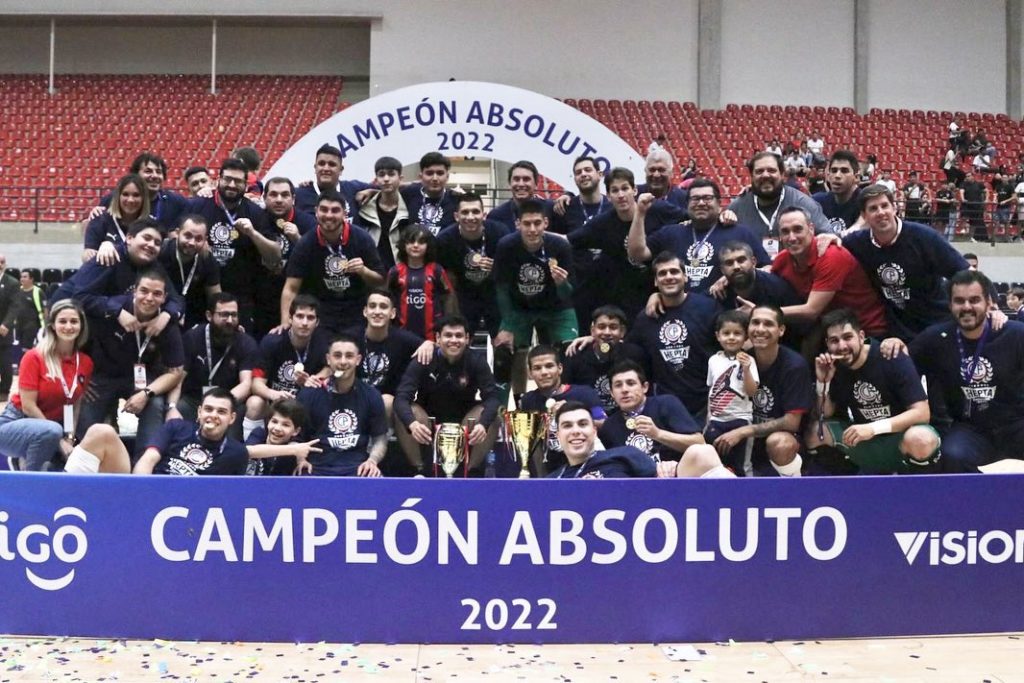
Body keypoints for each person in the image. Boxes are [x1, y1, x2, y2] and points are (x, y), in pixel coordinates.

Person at [909, 270, 1024, 469]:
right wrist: (891, 343)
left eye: (974, 300)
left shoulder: (1016, 335)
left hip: (1017, 425)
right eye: (959, 301)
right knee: (953, 455)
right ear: (950, 305)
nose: (967, 307)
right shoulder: (935, 339)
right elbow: (900, 369)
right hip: (971, 430)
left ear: (989, 302)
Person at [806, 308, 939, 474]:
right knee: (814, 433)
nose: (842, 346)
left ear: (861, 337)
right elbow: (823, 414)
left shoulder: (890, 355)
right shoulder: (832, 366)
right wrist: (822, 382)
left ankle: (919, 491)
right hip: (864, 440)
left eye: (848, 337)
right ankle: (845, 486)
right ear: (827, 343)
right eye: (834, 340)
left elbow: (922, 413)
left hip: (900, 438)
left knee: (921, 438)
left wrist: (873, 428)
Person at [76, 269, 185, 461]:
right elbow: (75, 345)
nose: (149, 298)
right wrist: (79, 379)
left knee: (155, 403)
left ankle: (144, 465)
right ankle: (88, 461)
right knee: (85, 402)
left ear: (164, 298)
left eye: (157, 294)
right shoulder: (111, 309)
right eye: (144, 291)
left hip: (141, 381)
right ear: (134, 291)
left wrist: (146, 393)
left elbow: (175, 371)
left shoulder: (166, 322)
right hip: (102, 376)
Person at [842, 184, 969, 341]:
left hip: (938, 325)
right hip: (898, 333)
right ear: (864, 215)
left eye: (884, 206)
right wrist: (829, 237)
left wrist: (991, 305)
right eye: (873, 208)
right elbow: (836, 244)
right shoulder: (858, 243)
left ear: (894, 208)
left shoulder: (924, 236)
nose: (881, 213)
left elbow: (966, 272)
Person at [567, 167, 683, 321]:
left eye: (625, 188)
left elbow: (691, 219)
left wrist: (725, 216)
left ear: (634, 190)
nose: (621, 195)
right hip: (621, 301)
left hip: (656, 294)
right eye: (615, 191)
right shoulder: (602, 223)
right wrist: (534, 234)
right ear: (608, 196)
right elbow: (568, 240)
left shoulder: (657, 209)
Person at [710, 304, 813, 477]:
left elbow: (791, 422)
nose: (760, 329)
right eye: (755, 323)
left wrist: (744, 431)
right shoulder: (738, 359)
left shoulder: (794, 366)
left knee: (780, 443)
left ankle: (794, 486)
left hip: (782, 438)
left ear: (781, 330)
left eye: (768, 324)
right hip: (744, 435)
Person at [394, 314, 500, 475]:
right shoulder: (424, 358)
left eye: (458, 336)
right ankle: (419, 470)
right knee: (405, 411)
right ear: (438, 338)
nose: (453, 340)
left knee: (492, 417)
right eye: (448, 335)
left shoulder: (476, 361)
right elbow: (401, 397)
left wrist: (482, 424)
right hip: (428, 424)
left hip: (464, 423)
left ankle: (469, 472)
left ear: (467, 339)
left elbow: (492, 398)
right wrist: (412, 424)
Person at [185, 158, 281, 334]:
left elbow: (275, 256)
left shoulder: (255, 212)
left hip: (241, 300)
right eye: (227, 179)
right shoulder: (197, 205)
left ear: (246, 185)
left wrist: (253, 234)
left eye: (237, 181)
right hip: (198, 296)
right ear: (218, 180)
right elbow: (176, 236)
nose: (231, 184)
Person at [627, 179, 769, 295]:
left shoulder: (740, 233)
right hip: (680, 315)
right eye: (695, 199)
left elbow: (768, 267)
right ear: (687, 204)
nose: (701, 203)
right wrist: (640, 212)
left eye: (707, 198)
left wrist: (735, 276)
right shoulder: (670, 233)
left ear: (719, 204)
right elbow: (637, 253)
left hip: (726, 319)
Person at [768, 207, 888, 341]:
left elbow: (811, 311)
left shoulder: (830, 255)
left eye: (798, 229)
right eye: (785, 232)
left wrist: (764, 313)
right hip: (828, 332)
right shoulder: (782, 260)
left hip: (866, 332)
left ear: (811, 229)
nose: (791, 237)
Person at [623, 252, 719, 417]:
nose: (668, 277)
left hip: (708, 403)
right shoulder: (645, 318)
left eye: (674, 272)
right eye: (662, 273)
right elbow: (630, 355)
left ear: (686, 277)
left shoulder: (708, 308)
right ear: (655, 281)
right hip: (667, 407)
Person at [0, 300, 92, 471]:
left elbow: (74, 404)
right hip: (14, 422)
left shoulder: (85, 362)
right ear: (52, 326)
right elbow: (28, 406)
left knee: (56, 460)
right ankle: (25, 472)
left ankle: (29, 467)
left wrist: (69, 437)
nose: (68, 326)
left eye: (74, 321)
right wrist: (59, 440)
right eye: (62, 321)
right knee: (52, 431)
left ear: (81, 325)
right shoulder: (34, 357)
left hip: (50, 429)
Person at [281, 189, 385, 334]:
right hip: (320, 316)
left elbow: (380, 281)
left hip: (357, 313)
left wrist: (364, 271)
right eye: (324, 210)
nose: (329, 215)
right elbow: (291, 288)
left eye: (335, 210)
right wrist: (286, 322)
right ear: (316, 212)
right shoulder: (305, 243)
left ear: (345, 213)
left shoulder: (362, 238)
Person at [54, 218, 186, 327]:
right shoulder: (108, 256)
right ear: (129, 238)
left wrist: (166, 315)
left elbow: (176, 300)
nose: (151, 245)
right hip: (63, 317)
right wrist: (117, 312)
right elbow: (80, 296)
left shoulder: (154, 266)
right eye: (146, 238)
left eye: (157, 243)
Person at [167, 293, 259, 439]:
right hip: (194, 401)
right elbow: (177, 378)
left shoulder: (246, 343)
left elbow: (246, 384)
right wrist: (171, 407)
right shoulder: (193, 337)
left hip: (228, 401)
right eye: (224, 315)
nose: (230, 320)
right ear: (209, 315)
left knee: (236, 413)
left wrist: (219, 404)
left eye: (234, 315)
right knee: (177, 414)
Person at [295, 334, 388, 477]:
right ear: (328, 359)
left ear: (358, 360)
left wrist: (372, 461)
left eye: (349, 356)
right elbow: (296, 438)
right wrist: (301, 460)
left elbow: (380, 438)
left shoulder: (372, 395)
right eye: (337, 356)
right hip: (316, 468)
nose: (343, 361)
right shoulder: (308, 395)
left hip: (358, 469)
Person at [493, 198, 576, 356]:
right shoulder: (506, 246)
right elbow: (501, 289)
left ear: (545, 223)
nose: (532, 229)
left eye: (537, 223)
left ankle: (563, 380)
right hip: (520, 307)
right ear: (518, 224)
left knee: (568, 352)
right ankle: (515, 381)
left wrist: (561, 284)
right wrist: (508, 326)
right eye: (527, 224)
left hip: (555, 307)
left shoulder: (560, 246)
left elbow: (567, 294)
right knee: (505, 352)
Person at [347, 288, 433, 428]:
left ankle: (380, 438)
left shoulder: (402, 338)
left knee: (386, 401)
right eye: (372, 306)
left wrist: (429, 344)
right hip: (353, 398)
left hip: (387, 406)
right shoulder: (350, 338)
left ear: (392, 313)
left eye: (383, 307)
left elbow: (432, 346)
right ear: (365, 311)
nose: (377, 311)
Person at [519, 344, 606, 474]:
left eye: (549, 366)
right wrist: (541, 479)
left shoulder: (584, 393)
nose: (544, 372)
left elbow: (603, 423)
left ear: (559, 368)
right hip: (553, 474)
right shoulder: (528, 400)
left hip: (590, 469)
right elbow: (533, 444)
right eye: (537, 368)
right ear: (530, 373)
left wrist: (570, 413)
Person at [726, 151, 829, 259]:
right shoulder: (737, 208)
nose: (765, 175)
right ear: (751, 176)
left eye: (771, 170)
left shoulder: (804, 203)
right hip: (753, 274)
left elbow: (828, 238)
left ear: (782, 175)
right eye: (759, 171)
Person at [598, 360, 704, 463]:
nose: (624, 390)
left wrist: (657, 434)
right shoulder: (609, 426)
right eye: (618, 385)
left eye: (630, 383)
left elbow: (699, 443)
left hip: (675, 474)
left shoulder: (666, 403)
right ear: (612, 393)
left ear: (645, 387)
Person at [436, 192, 510, 337]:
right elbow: (445, 277)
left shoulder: (500, 232)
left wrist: (498, 267)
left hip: (495, 293)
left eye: (475, 212)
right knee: (459, 341)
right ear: (456, 216)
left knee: (504, 347)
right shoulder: (444, 240)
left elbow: (512, 270)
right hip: (463, 294)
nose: (470, 217)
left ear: (484, 214)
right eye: (465, 212)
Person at [132, 388, 249, 475]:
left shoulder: (237, 453)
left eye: (221, 412)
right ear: (199, 412)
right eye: (208, 409)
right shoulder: (175, 427)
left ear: (232, 418)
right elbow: (148, 460)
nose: (213, 415)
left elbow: (234, 493)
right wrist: (142, 494)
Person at [250, 294, 330, 417]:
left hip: (305, 403)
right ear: (290, 318)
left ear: (317, 322)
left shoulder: (323, 342)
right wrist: (273, 394)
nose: (304, 323)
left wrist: (313, 379)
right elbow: (256, 384)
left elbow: (331, 367)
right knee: (254, 403)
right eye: (299, 316)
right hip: (275, 403)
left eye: (310, 318)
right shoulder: (271, 342)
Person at [562, 305, 647, 413]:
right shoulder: (576, 355)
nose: (607, 332)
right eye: (601, 327)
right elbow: (566, 392)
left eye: (613, 327)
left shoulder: (635, 354)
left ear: (622, 332)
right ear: (592, 330)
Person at [703, 310, 759, 475]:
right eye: (726, 333)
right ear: (718, 336)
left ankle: (746, 495)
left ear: (745, 337)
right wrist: (708, 419)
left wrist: (746, 369)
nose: (731, 337)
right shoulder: (713, 360)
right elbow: (711, 390)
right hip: (716, 420)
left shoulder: (749, 360)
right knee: (715, 465)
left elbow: (752, 391)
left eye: (737, 333)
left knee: (742, 464)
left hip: (740, 419)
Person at [546, 400, 658, 479]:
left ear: (594, 431)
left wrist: (672, 467)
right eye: (567, 426)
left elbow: (664, 479)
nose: (575, 431)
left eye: (583, 424)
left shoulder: (626, 455)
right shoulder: (550, 482)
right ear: (558, 436)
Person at [386, 225, 456, 342]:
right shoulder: (395, 272)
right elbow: (387, 298)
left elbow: (449, 296)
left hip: (432, 337)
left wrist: (447, 323)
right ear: (403, 245)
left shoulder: (437, 270)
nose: (416, 245)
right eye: (411, 241)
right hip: (402, 334)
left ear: (428, 246)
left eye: (421, 242)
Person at [155, 214, 222, 329]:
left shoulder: (207, 259)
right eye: (188, 236)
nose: (192, 242)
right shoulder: (161, 251)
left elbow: (215, 297)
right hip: (159, 313)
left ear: (205, 240)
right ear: (177, 233)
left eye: (198, 239)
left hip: (193, 319)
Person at [355, 156, 411, 273]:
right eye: (381, 174)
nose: (386, 179)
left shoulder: (410, 207)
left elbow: (424, 184)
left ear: (400, 178)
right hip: (372, 273)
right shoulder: (363, 207)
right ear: (376, 180)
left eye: (391, 174)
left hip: (402, 274)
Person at [715, 241, 802, 313]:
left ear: (753, 262)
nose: (736, 266)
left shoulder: (778, 288)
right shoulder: (718, 293)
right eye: (729, 263)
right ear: (722, 270)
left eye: (741, 260)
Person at [244, 398, 323, 476]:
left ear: (296, 431)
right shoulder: (259, 433)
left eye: (285, 425)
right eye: (274, 421)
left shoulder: (296, 447)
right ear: (268, 422)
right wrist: (292, 450)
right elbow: (248, 452)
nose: (277, 428)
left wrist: (301, 459)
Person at [82, 174, 150, 263]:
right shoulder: (100, 220)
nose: (130, 200)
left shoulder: (150, 225)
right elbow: (87, 254)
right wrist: (93, 255)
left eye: (136, 195)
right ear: (118, 196)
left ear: (144, 198)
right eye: (125, 194)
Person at [294, 143, 373, 218]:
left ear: (341, 170)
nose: (326, 168)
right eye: (321, 164)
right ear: (315, 168)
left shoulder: (353, 188)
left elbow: (383, 190)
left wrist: (372, 192)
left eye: (332, 164)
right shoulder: (299, 194)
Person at [399, 152, 461, 235]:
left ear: (447, 177)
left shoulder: (456, 199)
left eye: (440, 173)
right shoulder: (408, 194)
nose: (435, 178)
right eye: (429, 173)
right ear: (421, 177)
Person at [488, 160, 555, 231]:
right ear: (509, 183)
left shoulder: (551, 209)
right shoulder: (496, 216)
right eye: (516, 179)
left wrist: (567, 195)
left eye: (526, 179)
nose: (521, 184)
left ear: (536, 184)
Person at [812, 150, 863, 234]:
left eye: (844, 171)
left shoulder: (865, 202)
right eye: (834, 170)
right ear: (828, 176)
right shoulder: (817, 201)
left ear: (856, 177)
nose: (837, 176)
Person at [9, 268, 45, 353]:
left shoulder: (37, 291)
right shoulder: (18, 291)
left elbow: (45, 310)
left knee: (27, 350)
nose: (22, 279)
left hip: (32, 325)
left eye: (25, 277)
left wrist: (44, 326)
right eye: (21, 277)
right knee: (19, 349)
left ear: (31, 279)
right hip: (19, 325)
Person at [0, 254, 18, 401]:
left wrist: (6, 323)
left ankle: (4, 390)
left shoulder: (12, 283)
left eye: (2, 262)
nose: (0, 264)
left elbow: (14, 306)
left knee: (5, 362)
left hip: (3, 330)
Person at [959, 172, 990, 243]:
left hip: (976, 205)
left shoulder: (979, 184)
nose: (967, 178)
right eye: (966, 176)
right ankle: (963, 228)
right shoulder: (963, 184)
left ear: (973, 176)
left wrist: (986, 199)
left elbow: (986, 191)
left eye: (969, 176)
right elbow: (961, 191)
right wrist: (962, 199)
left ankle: (971, 237)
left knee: (973, 223)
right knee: (964, 216)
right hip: (966, 204)